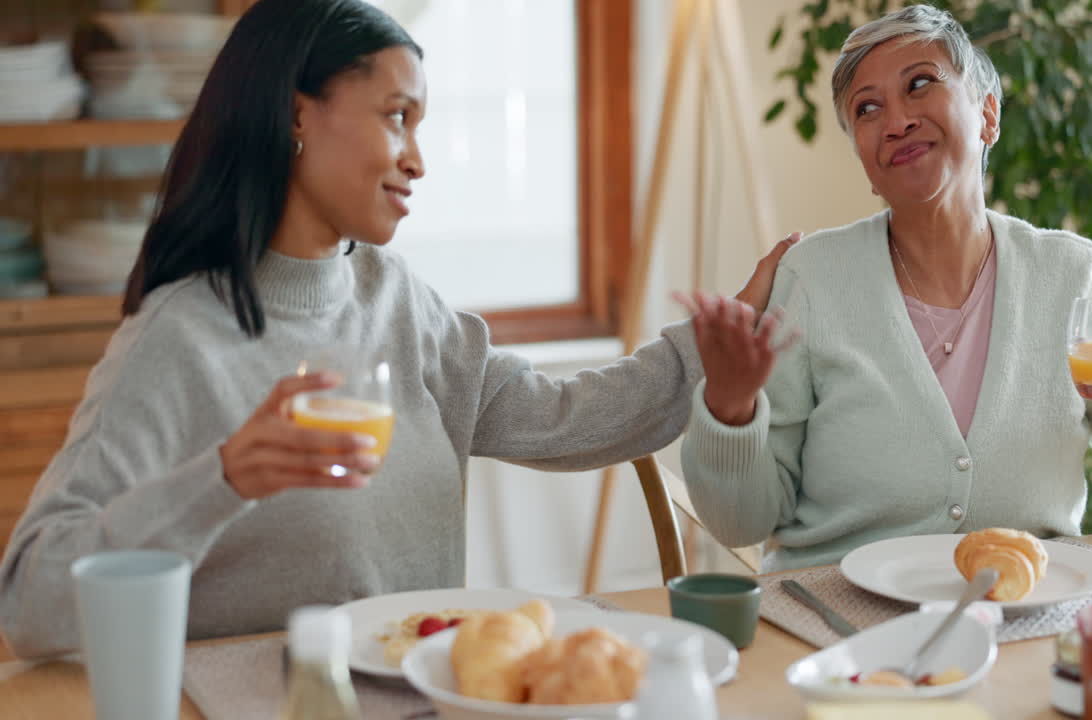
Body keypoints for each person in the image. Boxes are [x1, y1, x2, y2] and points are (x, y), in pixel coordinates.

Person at [0, 0, 794, 658]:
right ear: (293, 115)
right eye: (395, 116)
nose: (417, 158)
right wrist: (226, 478)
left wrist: (706, 353)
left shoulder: (398, 299)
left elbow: (562, 418)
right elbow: (29, 599)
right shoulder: (178, 339)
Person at [679, 5, 1092, 573]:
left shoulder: (1070, 275)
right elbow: (739, 524)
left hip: (1022, 607)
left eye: (920, 84)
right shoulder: (813, 279)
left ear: (988, 115)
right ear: (866, 164)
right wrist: (730, 407)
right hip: (834, 616)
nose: (896, 121)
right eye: (867, 109)